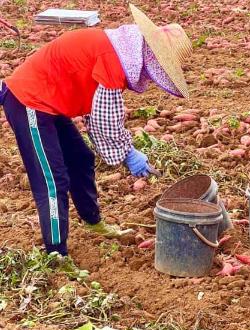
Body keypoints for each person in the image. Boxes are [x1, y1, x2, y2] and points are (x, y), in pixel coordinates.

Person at [0, 5, 192, 256]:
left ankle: (93, 222)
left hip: (50, 103)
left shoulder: (116, 51)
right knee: (52, 181)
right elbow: (104, 121)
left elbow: (95, 111)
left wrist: (123, 150)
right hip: (29, 102)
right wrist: (128, 153)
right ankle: (56, 254)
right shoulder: (112, 61)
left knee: (81, 158)